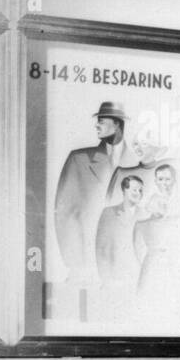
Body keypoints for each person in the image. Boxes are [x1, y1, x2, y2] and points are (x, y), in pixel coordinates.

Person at [54, 101, 132, 283]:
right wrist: (75, 262)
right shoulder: (78, 159)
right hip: (86, 261)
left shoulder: (137, 160)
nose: (96, 125)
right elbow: (64, 212)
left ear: (118, 124)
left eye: (102, 121)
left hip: (125, 262)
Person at [94, 175, 147, 286]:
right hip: (113, 277)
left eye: (140, 190)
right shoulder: (108, 213)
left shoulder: (145, 215)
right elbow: (100, 248)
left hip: (137, 278)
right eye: (134, 190)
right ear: (124, 190)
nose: (138, 193)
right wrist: (105, 277)